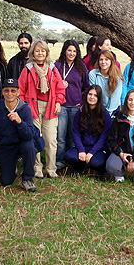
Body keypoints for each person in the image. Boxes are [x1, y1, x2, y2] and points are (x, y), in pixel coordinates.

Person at [19, 40, 65, 178]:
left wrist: (58, 102)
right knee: (35, 138)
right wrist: (25, 107)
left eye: (43, 51)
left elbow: (60, 88)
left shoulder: (52, 68)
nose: (40, 53)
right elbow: (21, 91)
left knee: (51, 139)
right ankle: (37, 167)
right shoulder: (28, 69)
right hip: (33, 106)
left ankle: (51, 168)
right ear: (33, 52)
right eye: (37, 50)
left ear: (47, 52)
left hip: (51, 107)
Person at [0, 78, 40, 192]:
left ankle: (28, 178)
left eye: (13, 91)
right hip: (6, 146)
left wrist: (20, 122)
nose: (10, 94)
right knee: (6, 181)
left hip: (21, 143)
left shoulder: (24, 109)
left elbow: (29, 135)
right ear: (3, 92)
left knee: (30, 147)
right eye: (7, 90)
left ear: (18, 92)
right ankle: (11, 167)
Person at [54, 40, 89, 169]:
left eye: (74, 51)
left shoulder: (81, 66)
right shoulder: (57, 65)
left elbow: (87, 87)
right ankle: (60, 160)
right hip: (61, 105)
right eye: (69, 50)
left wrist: (82, 102)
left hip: (75, 106)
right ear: (64, 51)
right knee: (61, 136)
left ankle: (72, 159)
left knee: (73, 136)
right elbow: (51, 84)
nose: (72, 53)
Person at [64, 85, 111, 178]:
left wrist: (92, 152)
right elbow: (76, 133)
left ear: (99, 98)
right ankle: (80, 167)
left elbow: (104, 137)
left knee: (96, 162)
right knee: (68, 156)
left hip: (98, 149)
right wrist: (81, 150)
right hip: (83, 146)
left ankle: (99, 170)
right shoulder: (80, 112)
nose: (92, 97)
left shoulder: (104, 114)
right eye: (90, 94)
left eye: (95, 95)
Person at [89, 50, 123, 115]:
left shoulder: (118, 77)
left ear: (111, 61)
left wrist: (107, 114)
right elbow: (93, 94)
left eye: (106, 59)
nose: (103, 62)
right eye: (101, 59)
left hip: (113, 109)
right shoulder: (93, 74)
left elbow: (115, 98)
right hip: (96, 108)